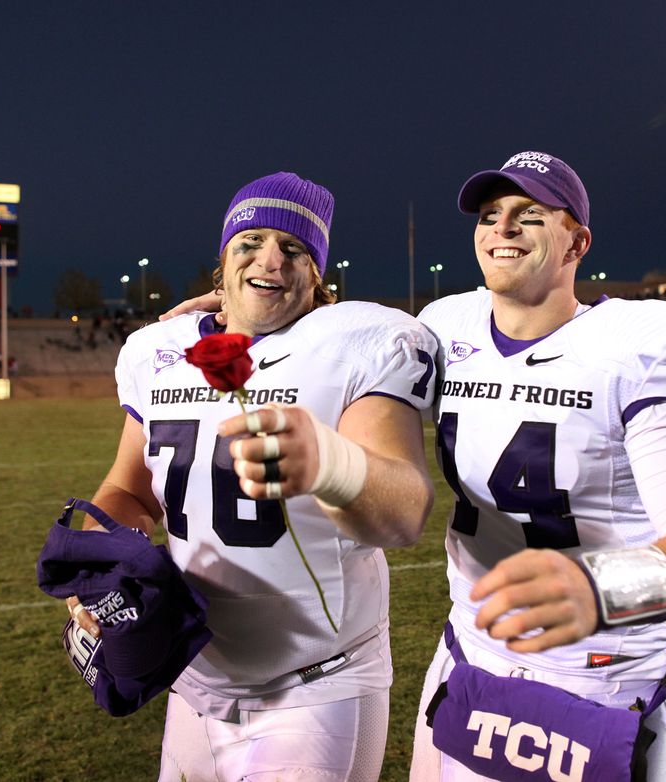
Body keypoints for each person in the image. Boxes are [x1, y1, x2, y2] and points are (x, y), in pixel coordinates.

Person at [66, 172, 437, 781]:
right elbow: (128, 490)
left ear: (318, 274)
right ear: (222, 260)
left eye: (294, 249)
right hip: (192, 675)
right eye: (251, 241)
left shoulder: (356, 343)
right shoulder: (160, 350)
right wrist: (107, 558)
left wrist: (328, 465)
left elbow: (404, 512)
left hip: (316, 685)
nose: (272, 260)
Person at [411, 151, 666, 781]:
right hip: (467, 655)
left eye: (529, 214)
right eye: (489, 215)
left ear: (576, 243)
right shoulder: (445, 327)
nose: (502, 228)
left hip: (596, 681)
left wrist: (598, 587)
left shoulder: (631, 350)